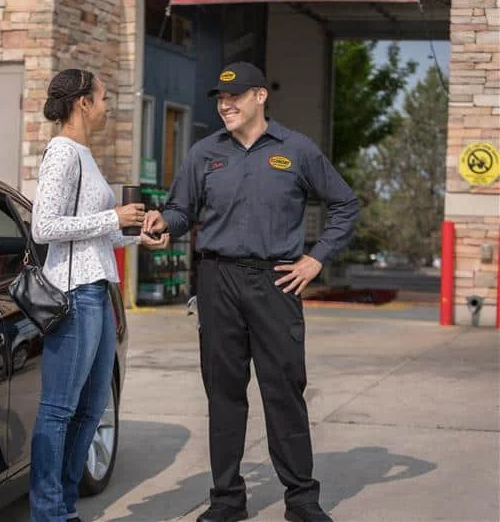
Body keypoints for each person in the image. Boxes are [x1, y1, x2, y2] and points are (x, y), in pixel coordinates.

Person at [143, 61, 359, 522]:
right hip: (216, 280)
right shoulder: (204, 154)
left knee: (283, 390)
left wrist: (317, 258)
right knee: (224, 393)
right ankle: (227, 499)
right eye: (220, 98)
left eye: (235, 96)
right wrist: (165, 222)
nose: (225, 104)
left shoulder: (296, 150)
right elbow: (182, 209)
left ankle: (301, 499)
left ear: (260, 96)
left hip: (274, 281)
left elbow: (345, 203)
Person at [29, 68, 170, 522]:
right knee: (58, 411)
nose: (110, 106)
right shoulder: (62, 154)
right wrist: (113, 217)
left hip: (98, 291)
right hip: (73, 296)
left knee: (92, 409)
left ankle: (66, 506)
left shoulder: (86, 155)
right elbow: (43, 227)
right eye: (104, 98)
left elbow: (91, 237)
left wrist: (134, 237)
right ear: (83, 103)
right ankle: (48, 512)